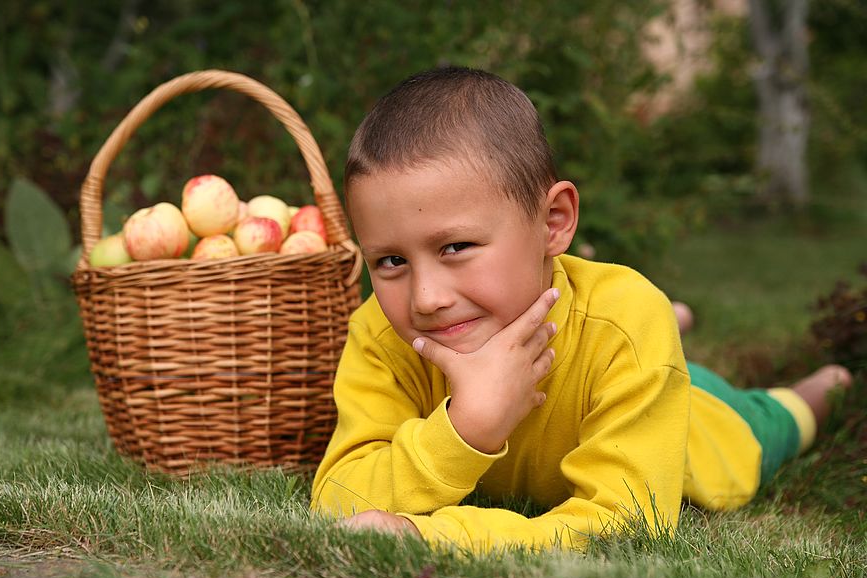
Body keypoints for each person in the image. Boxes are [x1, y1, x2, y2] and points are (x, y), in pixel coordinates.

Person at [309, 66, 853, 553]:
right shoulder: (381, 333)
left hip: (699, 426)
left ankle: (819, 387)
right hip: (622, 357)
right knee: (634, 335)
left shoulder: (627, 326)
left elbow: (623, 524)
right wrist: (459, 432)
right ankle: (674, 328)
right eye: (391, 261)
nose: (426, 298)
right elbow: (336, 496)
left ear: (554, 222)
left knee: (764, 421)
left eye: (455, 248)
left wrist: (434, 533)